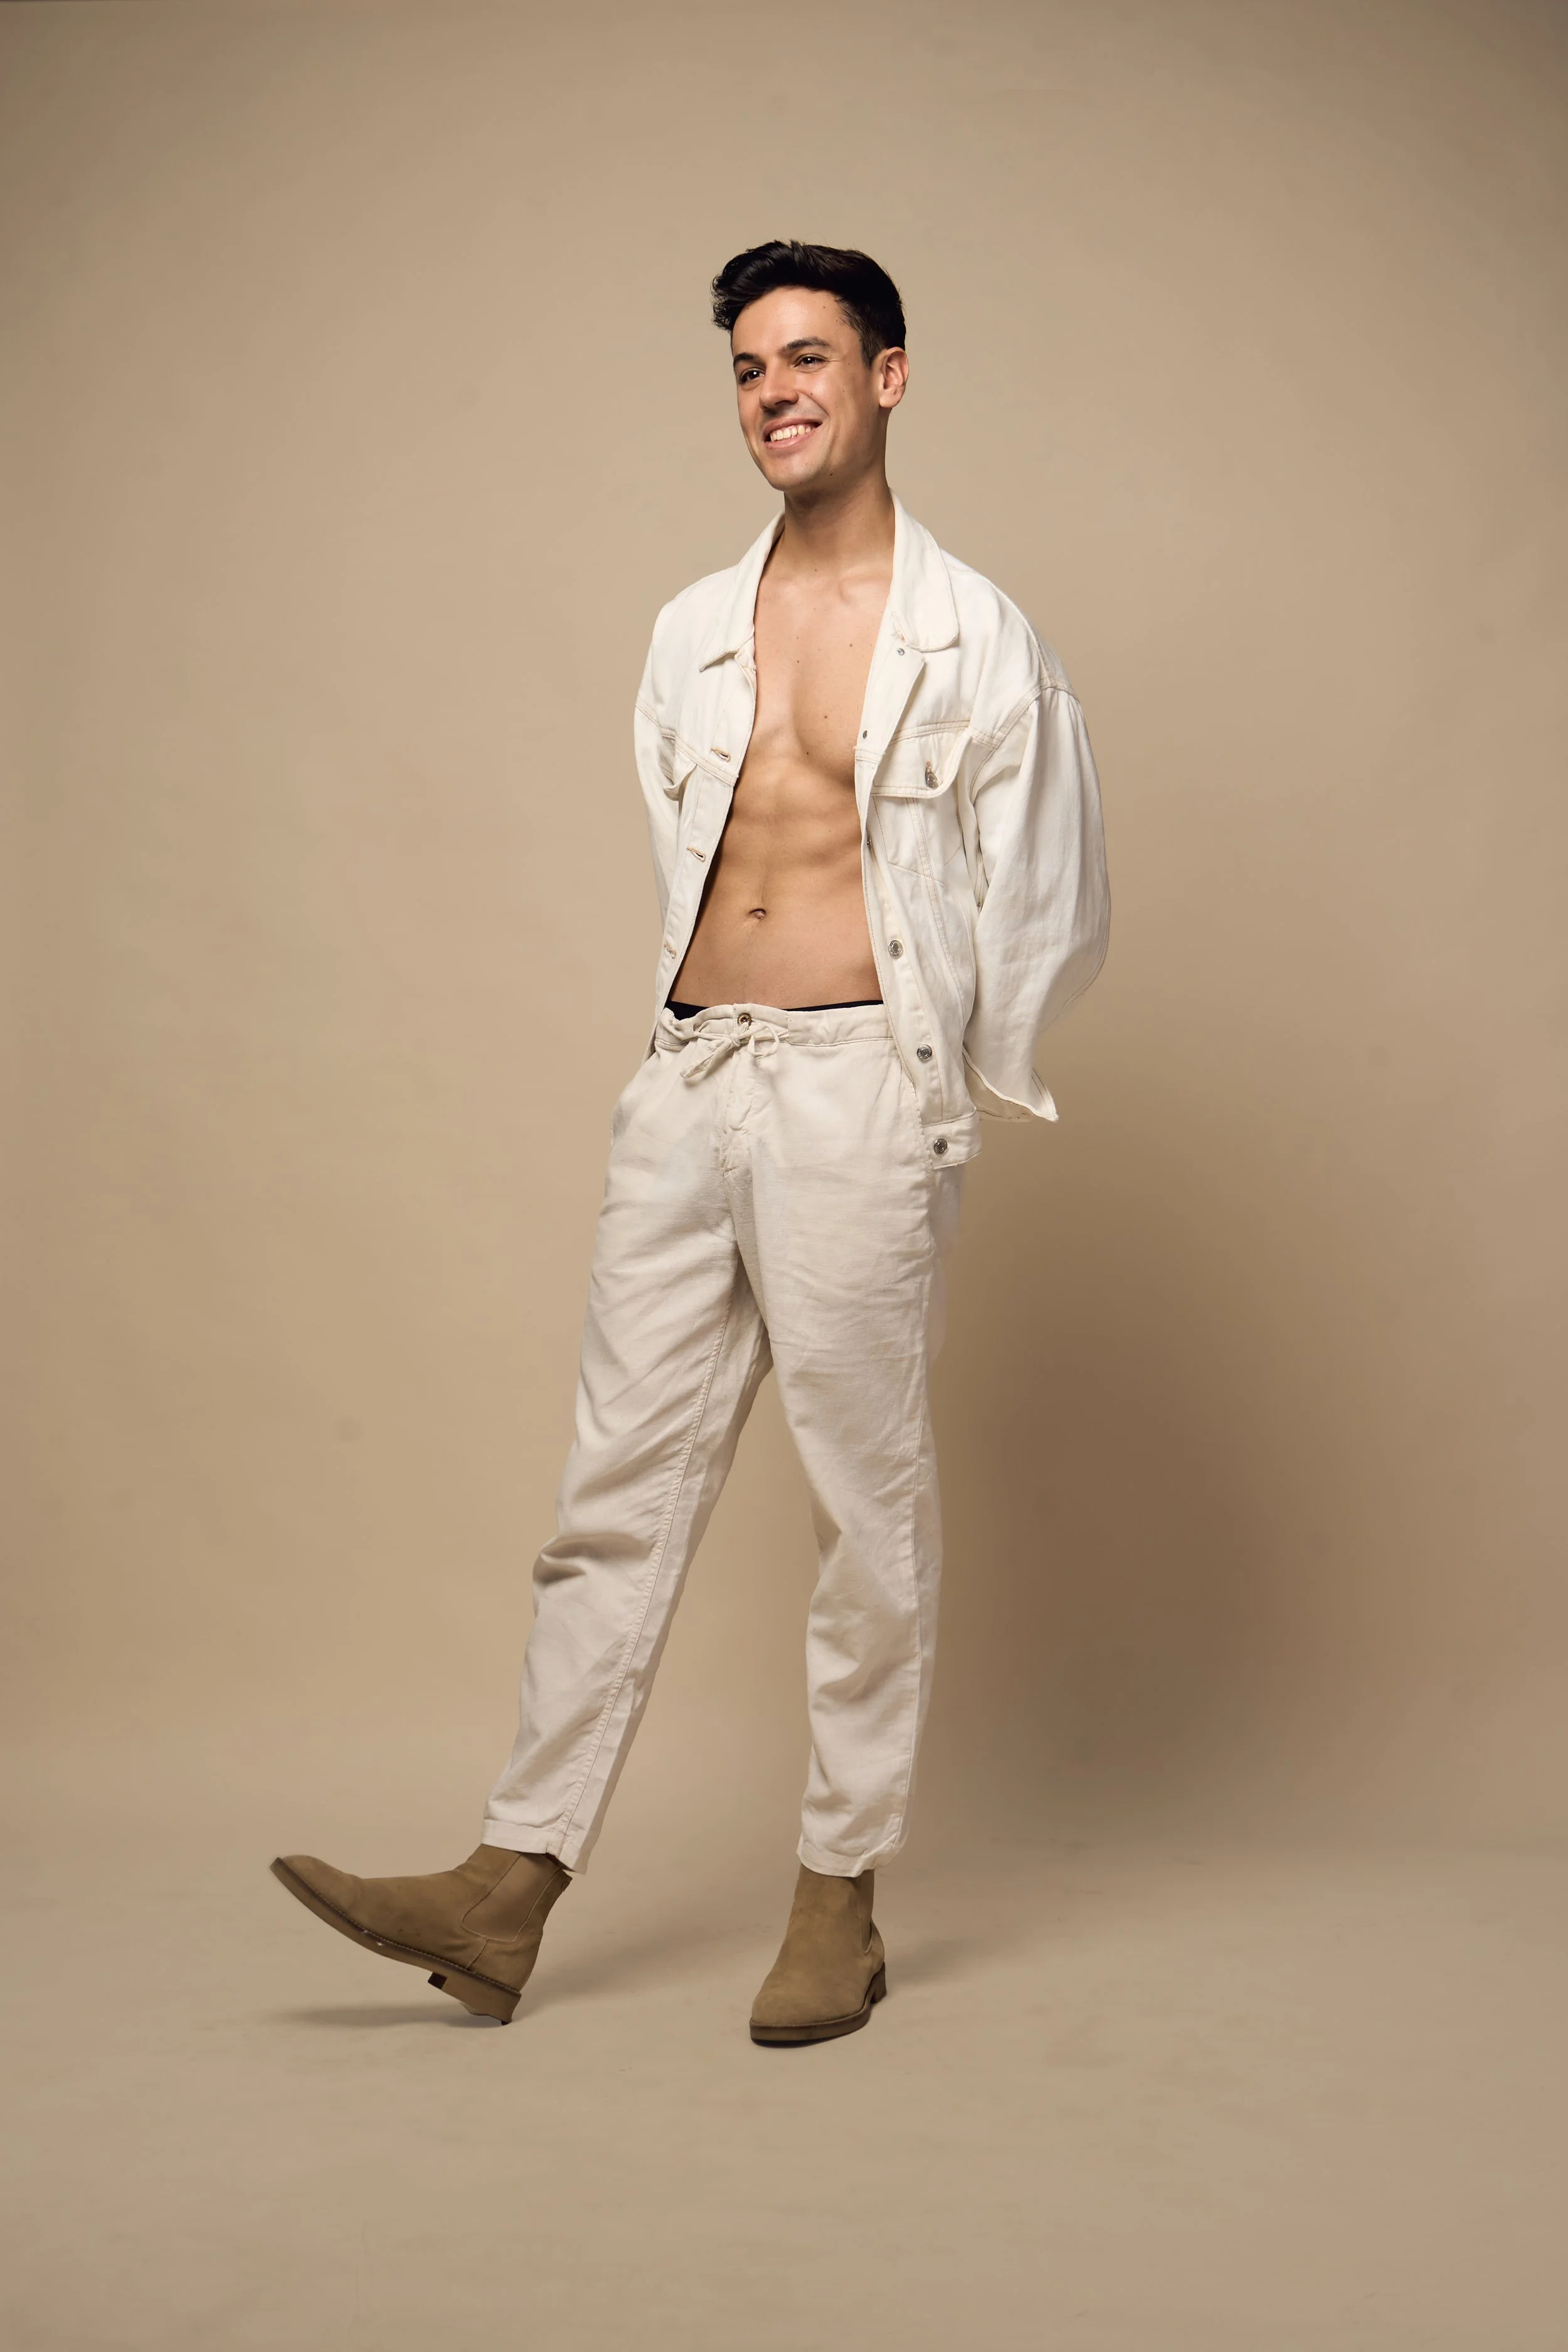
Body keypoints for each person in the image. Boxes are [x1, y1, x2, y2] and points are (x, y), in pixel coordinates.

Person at [272, 240, 1110, 2045]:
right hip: (689, 1080)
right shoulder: (688, 629)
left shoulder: (975, 636)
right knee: (613, 1496)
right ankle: (510, 1888)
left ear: (888, 376)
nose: (774, 393)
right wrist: (692, 1035)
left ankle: (838, 1894)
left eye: (807, 357)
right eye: (747, 368)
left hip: (858, 1090)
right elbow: (688, 848)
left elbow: (1054, 891)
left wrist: (931, 1081)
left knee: (863, 1514)